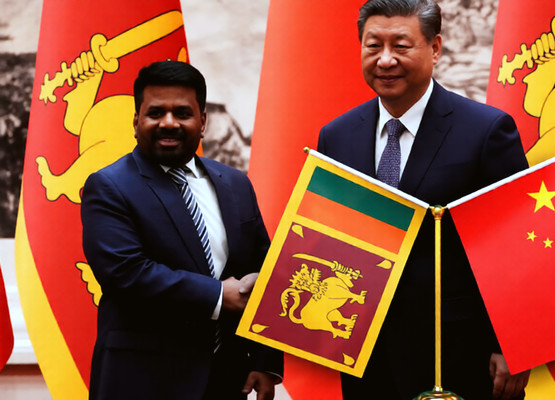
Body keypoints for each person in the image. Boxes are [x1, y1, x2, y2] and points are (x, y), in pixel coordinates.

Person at [317, 1, 530, 399]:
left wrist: (512, 343)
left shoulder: (486, 131)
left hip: (458, 352)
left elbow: (516, 245)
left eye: (400, 45)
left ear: (435, 48)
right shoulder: (336, 136)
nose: (385, 60)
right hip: (364, 354)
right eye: (373, 45)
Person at [81, 60, 282, 400]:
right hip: (141, 382)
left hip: (226, 380)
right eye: (155, 112)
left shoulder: (236, 184)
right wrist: (219, 296)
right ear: (136, 121)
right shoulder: (109, 186)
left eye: (182, 113)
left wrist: (266, 361)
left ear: (202, 122)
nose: (169, 123)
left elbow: (264, 271)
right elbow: (126, 273)